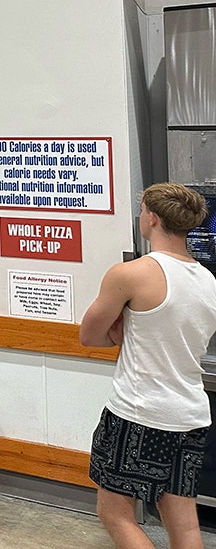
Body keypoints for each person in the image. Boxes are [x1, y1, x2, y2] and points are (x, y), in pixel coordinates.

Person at [79, 183, 216, 549]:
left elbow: (90, 335)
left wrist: (119, 332)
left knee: (115, 513)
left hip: (139, 413)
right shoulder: (208, 280)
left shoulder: (130, 274)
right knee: (184, 525)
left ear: (152, 218)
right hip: (190, 415)